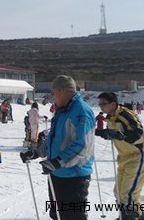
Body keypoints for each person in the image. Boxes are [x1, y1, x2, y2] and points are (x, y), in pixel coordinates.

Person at [21, 75, 95, 220]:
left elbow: (82, 146)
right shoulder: (62, 110)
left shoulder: (81, 111)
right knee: (56, 215)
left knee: (73, 216)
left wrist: (57, 162)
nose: (53, 97)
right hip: (57, 174)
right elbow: (53, 140)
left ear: (65, 91)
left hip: (74, 176)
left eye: (55, 93)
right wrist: (36, 152)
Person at [95, 91, 144, 220]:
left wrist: (120, 135)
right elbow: (114, 133)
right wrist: (104, 133)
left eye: (103, 104)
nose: (101, 107)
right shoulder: (109, 117)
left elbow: (138, 134)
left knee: (128, 194)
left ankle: (130, 217)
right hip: (124, 158)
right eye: (99, 104)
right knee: (119, 193)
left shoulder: (126, 115)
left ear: (113, 104)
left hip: (137, 157)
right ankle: (126, 216)